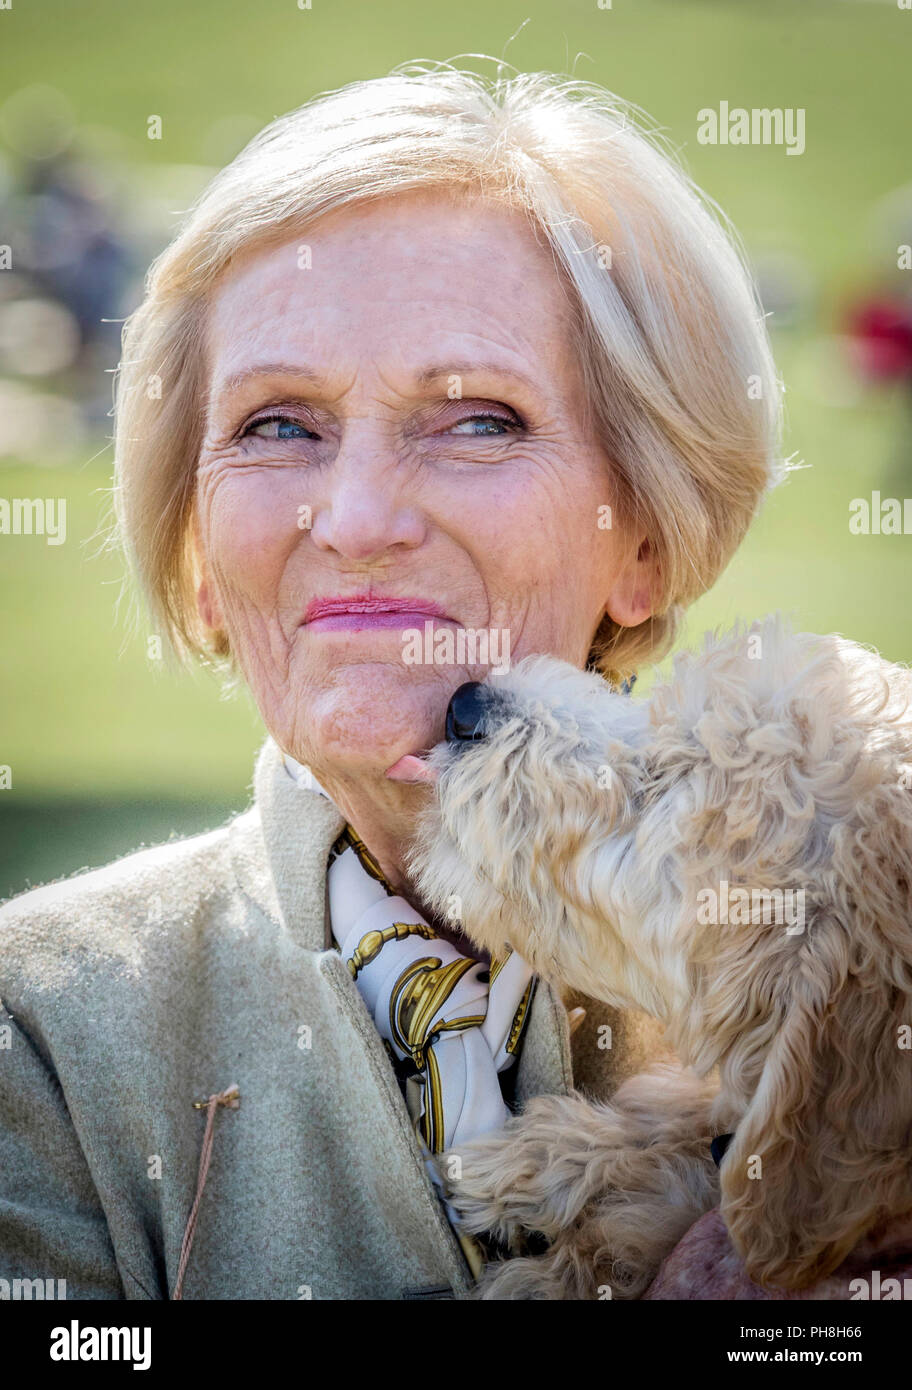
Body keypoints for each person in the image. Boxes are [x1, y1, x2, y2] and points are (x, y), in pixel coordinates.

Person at [0, 62, 782, 1299]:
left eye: (475, 418)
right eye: (277, 425)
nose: (357, 517)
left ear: (644, 534)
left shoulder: (833, 972)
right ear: (200, 555)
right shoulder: (34, 1031)